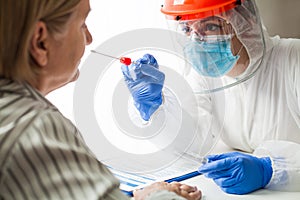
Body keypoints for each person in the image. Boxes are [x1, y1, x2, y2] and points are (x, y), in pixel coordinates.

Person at [0, 0, 202, 199]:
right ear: (40, 42)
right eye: (82, 25)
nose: (89, 38)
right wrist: (157, 196)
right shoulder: (36, 128)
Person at [121, 0, 300, 195]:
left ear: (246, 23)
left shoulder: (294, 61)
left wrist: (272, 170)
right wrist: (155, 109)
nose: (197, 40)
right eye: (187, 29)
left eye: (211, 26)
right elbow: (192, 144)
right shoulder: (207, 76)